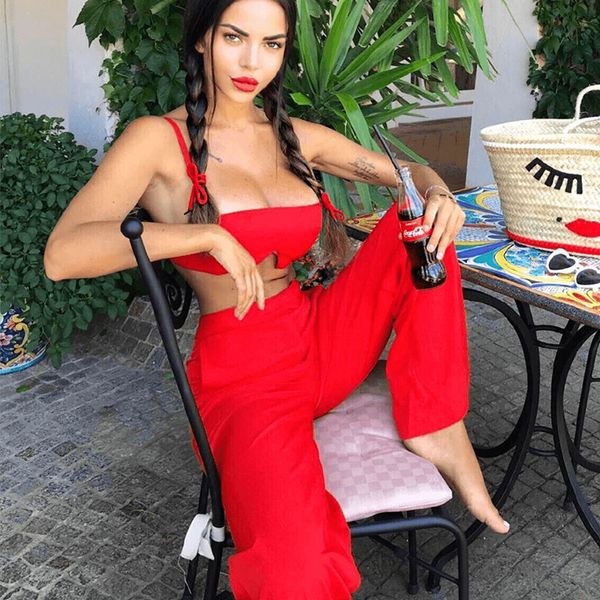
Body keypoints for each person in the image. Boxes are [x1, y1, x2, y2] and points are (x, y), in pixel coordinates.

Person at [44, 0, 510, 597]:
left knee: (422, 229)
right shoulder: (157, 141)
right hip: (242, 376)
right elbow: (64, 254)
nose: (252, 62)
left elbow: (409, 174)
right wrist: (204, 235)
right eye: (234, 38)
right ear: (202, 39)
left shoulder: (292, 136)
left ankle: (438, 425)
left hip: (317, 338)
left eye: (272, 44)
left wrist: (439, 193)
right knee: (295, 565)